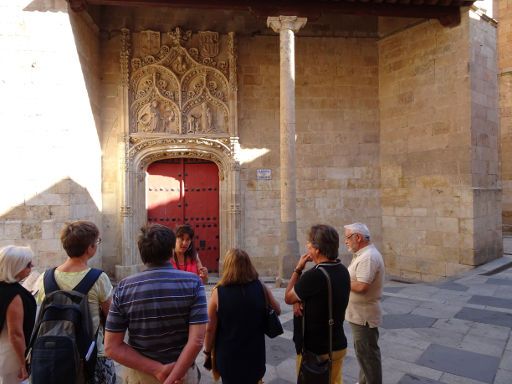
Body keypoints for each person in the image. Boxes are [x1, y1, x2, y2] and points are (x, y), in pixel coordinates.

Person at [105, 224, 208, 384]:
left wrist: (156, 369)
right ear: (170, 250)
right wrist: (173, 376)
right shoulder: (193, 282)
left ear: (141, 254)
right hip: (182, 375)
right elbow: (196, 341)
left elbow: (111, 347)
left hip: (140, 376)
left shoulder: (124, 287)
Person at [35, 221, 116, 384]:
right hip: (91, 354)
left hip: (53, 353)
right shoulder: (98, 278)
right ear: (90, 248)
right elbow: (111, 316)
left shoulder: (44, 278)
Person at [285, 224, 351, 384]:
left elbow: (288, 297)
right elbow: (321, 297)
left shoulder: (314, 276)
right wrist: (300, 299)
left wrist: (298, 269)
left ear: (317, 249)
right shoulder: (343, 270)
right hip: (337, 344)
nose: (307, 247)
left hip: (316, 350)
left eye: (309, 244)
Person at [203, 248, 281, 384]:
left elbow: (210, 328)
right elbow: (278, 310)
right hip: (255, 355)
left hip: (228, 357)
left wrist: (207, 351)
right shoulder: (260, 286)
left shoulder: (218, 293)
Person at [344, 223, 385, 384]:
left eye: (347, 237)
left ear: (358, 237)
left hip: (364, 317)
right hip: (359, 315)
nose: (345, 241)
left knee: (368, 357)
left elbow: (362, 286)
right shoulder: (363, 255)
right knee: (364, 355)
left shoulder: (368, 257)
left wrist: (342, 280)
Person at [0, 246, 36, 384]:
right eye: (28, 264)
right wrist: (23, 364)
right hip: (10, 359)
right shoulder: (14, 295)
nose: (32, 266)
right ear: (16, 266)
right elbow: (15, 334)